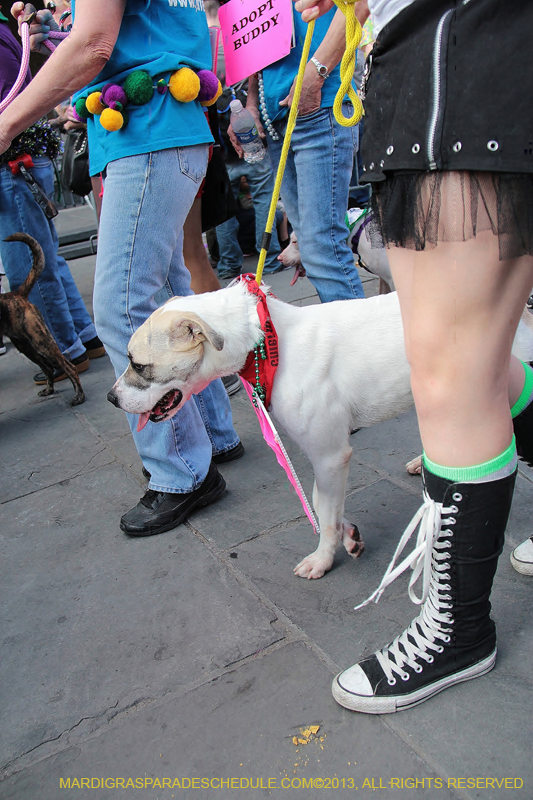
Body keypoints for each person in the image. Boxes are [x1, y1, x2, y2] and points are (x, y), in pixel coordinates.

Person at [293, 0, 533, 713]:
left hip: (460, 60)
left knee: (455, 374)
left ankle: (456, 632)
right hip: (472, 60)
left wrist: (326, 49)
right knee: (483, 362)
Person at [0, 0, 244, 536]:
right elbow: (118, 32)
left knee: (123, 309)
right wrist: (56, 32)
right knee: (167, 299)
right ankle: (215, 435)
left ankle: (182, 471)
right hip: (164, 130)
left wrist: (6, 123)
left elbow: (95, 44)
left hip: (148, 135)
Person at [0, 12, 104, 380]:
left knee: (28, 268)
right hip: (22, 159)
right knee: (44, 259)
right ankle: (83, 340)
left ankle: (63, 353)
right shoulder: (6, 32)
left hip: (13, 161)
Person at [243, 5, 368, 303]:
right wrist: (251, 99)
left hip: (319, 98)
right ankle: (350, 342)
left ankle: (357, 346)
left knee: (323, 249)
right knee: (315, 250)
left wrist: (317, 72)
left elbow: (358, 5)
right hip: (279, 110)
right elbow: (249, 26)